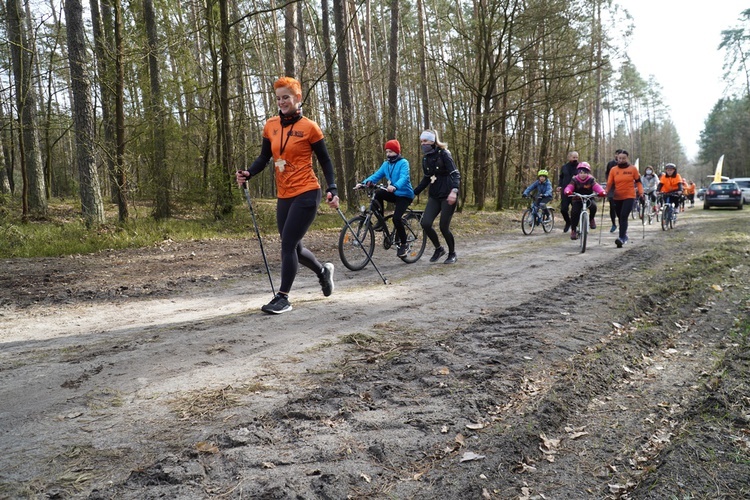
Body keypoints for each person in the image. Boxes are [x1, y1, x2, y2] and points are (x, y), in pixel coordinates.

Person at [235, 76, 339, 314]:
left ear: (298, 98)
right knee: (296, 248)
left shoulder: (310, 127)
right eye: (279, 98)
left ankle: (283, 297)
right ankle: (323, 271)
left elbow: (325, 160)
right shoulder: (270, 125)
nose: (282, 102)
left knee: (287, 244)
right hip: (284, 195)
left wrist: (333, 188)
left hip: (307, 192)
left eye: (286, 97)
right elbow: (264, 157)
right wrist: (249, 172)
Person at [356, 140, 415, 257]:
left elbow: (404, 177)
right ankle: (380, 219)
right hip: (393, 193)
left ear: (397, 152)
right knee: (378, 194)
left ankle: (404, 244)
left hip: (404, 195)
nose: (388, 154)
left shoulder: (404, 163)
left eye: (391, 152)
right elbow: (376, 175)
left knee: (396, 219)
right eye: (387, 151)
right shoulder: (386, 165)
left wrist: (395, 186)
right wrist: (363, 183)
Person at [414, 129, 461, 264]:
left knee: (443, 226)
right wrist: (414, 193)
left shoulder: (444, 154)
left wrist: (454, 191)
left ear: (433, 141)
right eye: (421, 142)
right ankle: (439, 249)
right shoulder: (425, 159)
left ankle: (452, 253)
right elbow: (427, 179)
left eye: (425, 141)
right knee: (425, 223)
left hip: (448, 195)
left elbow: (455, 173)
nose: (423, 144)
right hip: (434, 195)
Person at [605, 150, 643, 248]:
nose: (621, 160)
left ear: (627, 158)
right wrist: (606, 192)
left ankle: (621, 238)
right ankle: (624, 235)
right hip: (617, 196)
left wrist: (641, 193)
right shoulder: (613, 170)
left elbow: (638, 182)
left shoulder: (633, 169)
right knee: (619, 216)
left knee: (623, 216)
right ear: (617, 158)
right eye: (619, 158)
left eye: (623, 158)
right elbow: (609, 183)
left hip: (629, 196)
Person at [563, 162, 605, 240]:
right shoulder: (574, 179)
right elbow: (570, 186)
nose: (583, 174)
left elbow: (596, 186)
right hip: (577, 199)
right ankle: (573, 230)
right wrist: (568, 191)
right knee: (574, 213)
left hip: (588, 198)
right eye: (581, 172)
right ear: (578, 173)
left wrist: (601, 191)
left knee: (593, 207)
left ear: (588, 173)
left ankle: (591, 219)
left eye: (585, 172)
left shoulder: (591, 179)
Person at [556, 151, 580, 233]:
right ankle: (568, 222)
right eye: (573, 157)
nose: (575, 159)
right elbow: (561, 177)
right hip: (565, 191)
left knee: (575, 211)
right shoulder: (564, 167)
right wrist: (559, 185)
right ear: (569, 157)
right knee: (563, 209)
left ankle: (575, 226)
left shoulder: (580, 167)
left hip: (576, 191)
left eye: (576, 157)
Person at [604, 149, 623, 233]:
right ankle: (613, 224)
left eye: (619, 154)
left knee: (620, 207)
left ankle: (621, 224)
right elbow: (607, 173)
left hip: (621, 188)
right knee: (612, 207)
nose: (617, 156)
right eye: (616, 154)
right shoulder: (610, 164)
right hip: (612, 188)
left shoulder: (624, 164)